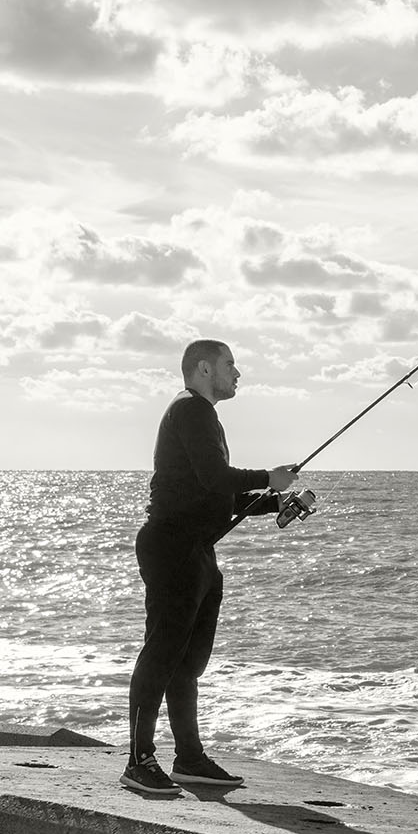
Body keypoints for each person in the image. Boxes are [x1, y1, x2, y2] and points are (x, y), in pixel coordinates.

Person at [121, 339, 297, 795]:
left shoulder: (202, 416)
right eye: (230, 365)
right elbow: (218, 478)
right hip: (172, 549)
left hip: (197, 552)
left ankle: (190, 759)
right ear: (204, 369)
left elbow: (216, 493)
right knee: (161, 655)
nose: (237, 374)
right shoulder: (191, 410)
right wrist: (268, 478)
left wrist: (275, 500)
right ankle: (137, 761)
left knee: (187, 664)